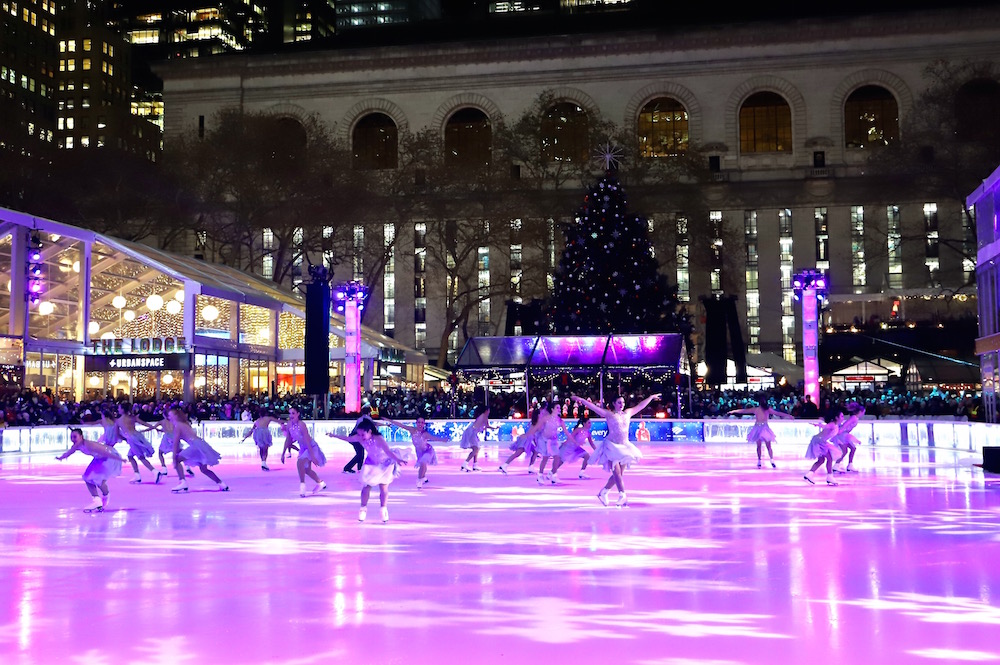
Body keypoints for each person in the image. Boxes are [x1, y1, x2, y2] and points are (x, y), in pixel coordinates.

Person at [571, 392, 660, 507]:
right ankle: (622, 495)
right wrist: (581, 399)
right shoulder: (608, 414)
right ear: (613, 403)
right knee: (617, 473)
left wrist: (651, 397)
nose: (622, 404)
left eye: (623, 402)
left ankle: (604, 492)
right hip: (611, 446)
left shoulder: (628, 413)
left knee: (619, 475)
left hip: (624, 446)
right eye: (619, 402)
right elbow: (593, 406)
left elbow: (640, 406)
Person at [330, 420, 408, 523]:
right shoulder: (359, 437)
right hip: (371, 463)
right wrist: (334, 435)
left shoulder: (378, 439)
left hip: (385, 463)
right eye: (358, 434)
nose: (360, 437)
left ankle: (383, 509)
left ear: (370, 431)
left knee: (383, 487)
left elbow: (388, 451)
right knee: (366, 486)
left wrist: (398, 459)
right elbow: (348, 438)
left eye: (363, 434)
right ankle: (363, 508)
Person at [56, 428, 126, 512]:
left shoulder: (89, 445)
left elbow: (106, 453)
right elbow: (69, 452)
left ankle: (106, 496)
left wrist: (119, 459)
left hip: (110, 457)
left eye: (75, 437)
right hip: (99, 458)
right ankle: (97, 501)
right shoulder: (77, 445)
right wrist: (61, 458)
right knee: (87, 477)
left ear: (81, 436)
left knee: (99, 480)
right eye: (71, 437)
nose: (73, 439)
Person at [167, 408, 229, 493]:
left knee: (177, 460)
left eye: (170, 415)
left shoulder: (178, 425)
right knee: (204, 469)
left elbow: (176, 443)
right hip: (201, 444)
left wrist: (173, 457)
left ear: (176, 416)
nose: (169, 417)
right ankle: (222, 484)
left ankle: (183, 482)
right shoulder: (184, 424)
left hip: (195, 445)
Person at [384, 416, 449, 488]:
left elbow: (434, 438)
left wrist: (443, 440)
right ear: (416, 423)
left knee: (423, 462)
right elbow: (401, 425)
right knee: (423, 465)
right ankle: (423, 477)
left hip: (428, 450)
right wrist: (389, 420)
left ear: (424, 424)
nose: (420, 424)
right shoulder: (412, 430)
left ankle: (419, 479)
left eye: (422, 422)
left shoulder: (425, 434)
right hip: (419, 452)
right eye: (419, 422)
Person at [727, 401, 795, 468]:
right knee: (759, 446)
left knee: (768, 446)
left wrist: (788, 416)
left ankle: (771, 460)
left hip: (764, 428)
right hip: (757, 428)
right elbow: (744, 411)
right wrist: (733, 411)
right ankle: (759, 460)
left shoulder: (767, 410)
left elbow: (777, 413)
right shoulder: (756, 409)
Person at [284, 406, 327, 497]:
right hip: (303, 448)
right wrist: (283, 453)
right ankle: (320, 483)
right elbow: (288, 440)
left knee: (300, 463)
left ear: (298, 414)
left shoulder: (302, 424)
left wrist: (313, 456)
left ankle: (302, 486)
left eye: (293, 413)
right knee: (306, 469)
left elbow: (307, 441)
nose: (291, 415)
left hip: (311, 447)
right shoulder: (289, 425)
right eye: (290, 413)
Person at [116, 406, 157, 483]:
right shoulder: (132, 417)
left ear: (122, 409)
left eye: (119, 408)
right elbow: (144, 423)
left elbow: (117, 434)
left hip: (132, 439)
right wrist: (154, 427)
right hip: (138, 436)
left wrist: (126, 439)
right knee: (130, 456)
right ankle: (137, 475)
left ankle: (155, 471)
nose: (118, 409)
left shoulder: (118, 421)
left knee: (141, 457)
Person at [534, 401, 570, 485]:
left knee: (557, 457)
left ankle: (554, 475)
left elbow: (566, 432)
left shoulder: (560, 420)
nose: (559, 409)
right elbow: (538, 428)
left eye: (559, 408)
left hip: (553, 441)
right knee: (545, 457)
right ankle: (540, 475)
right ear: (552, 409)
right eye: (557, 408)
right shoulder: (546, 418)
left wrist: (572, 440)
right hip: (544, 440)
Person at [499, 407, 540, 475]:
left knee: (535, 451)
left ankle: (531, 467)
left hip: (526, 438)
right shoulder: (537, 423)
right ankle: (505, 465)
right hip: (526, 439)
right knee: (518, 453)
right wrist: (536, 443)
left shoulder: (534, 422)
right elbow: (534, 435)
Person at [804, 413, 841, 486]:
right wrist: (818, 425)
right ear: (837, 417)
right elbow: (826, 426)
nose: (843, 417)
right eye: (842, 416)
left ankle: (810, 474)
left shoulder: (835, 425)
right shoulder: (832, 424)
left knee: (821, 460)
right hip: (819, 441)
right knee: (829, 458)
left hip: (819, 440)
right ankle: (830, 476)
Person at [459, 405, 494, 472]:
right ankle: (465, 463)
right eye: (489, 410)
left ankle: (475, 465)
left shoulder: (482, 416)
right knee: (475, 449)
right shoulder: (484, 416)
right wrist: (495, 428)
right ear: (486, 410)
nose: (489, 412)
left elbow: (483, 426)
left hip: (472, 431)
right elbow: (487, 426)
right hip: (472, 432)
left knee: (477, 448)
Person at [560, 415, 595, 479]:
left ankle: (582, 472)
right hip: (570, 447)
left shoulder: (588, 433)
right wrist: (566, 442)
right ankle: (552, 472)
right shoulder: (578, 430)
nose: (590, 424)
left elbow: (592, 443)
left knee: (587, 456)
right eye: (589, 423)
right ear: (584, 423)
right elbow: (571, 436)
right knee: (562, 460)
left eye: (590, 423)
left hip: (576, 448)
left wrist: (597, 450)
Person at [833, 403, 864, 472]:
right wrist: (840, 431)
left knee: (853, 448)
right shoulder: (854, 418)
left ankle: (850, 465)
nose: (863, 414)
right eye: (863, 412)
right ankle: (836, 465)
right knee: (844, 451)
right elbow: (846, 424)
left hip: (845, 434)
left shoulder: (855, 418)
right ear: (860, 412)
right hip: (842, 434)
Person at [342, 405, 373, 473]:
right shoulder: (367, 418)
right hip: (356, 437)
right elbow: (373, 425)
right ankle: (348, 468)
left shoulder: (361, 418)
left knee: (360, 453)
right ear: (369, 412)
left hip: (355, 436)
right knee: (360, 454)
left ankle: (359, 468)